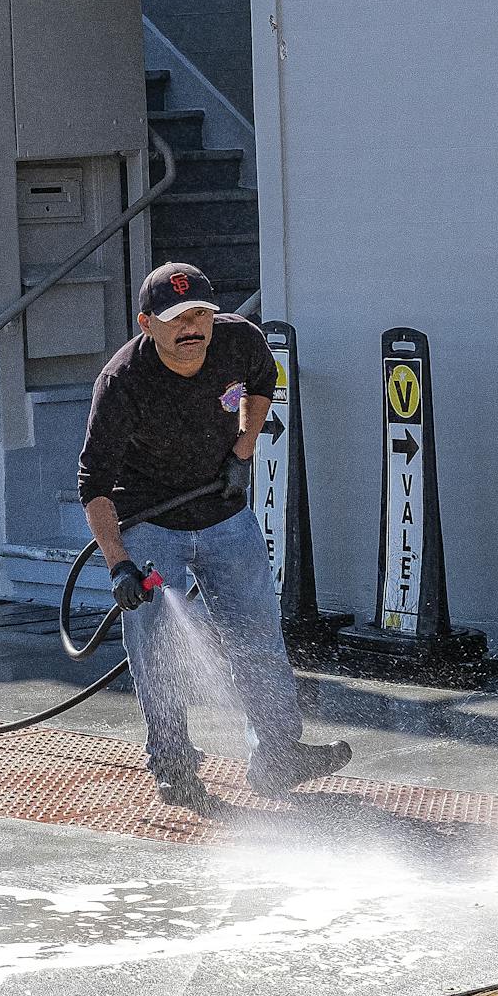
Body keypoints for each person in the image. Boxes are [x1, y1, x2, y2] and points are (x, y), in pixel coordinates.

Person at [77, 262, 351, 814]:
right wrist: (119, 565)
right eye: (176, 318)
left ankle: (276, 755)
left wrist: (242, 452)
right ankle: (175, 770)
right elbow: (93, 485)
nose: (192, 328)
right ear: (147, 323)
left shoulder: (238, 341)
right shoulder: (121, 381)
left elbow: (264, 382)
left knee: (257, 634)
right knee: (159, 654)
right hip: (151, 523)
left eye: (200, 313)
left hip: (225, 515)